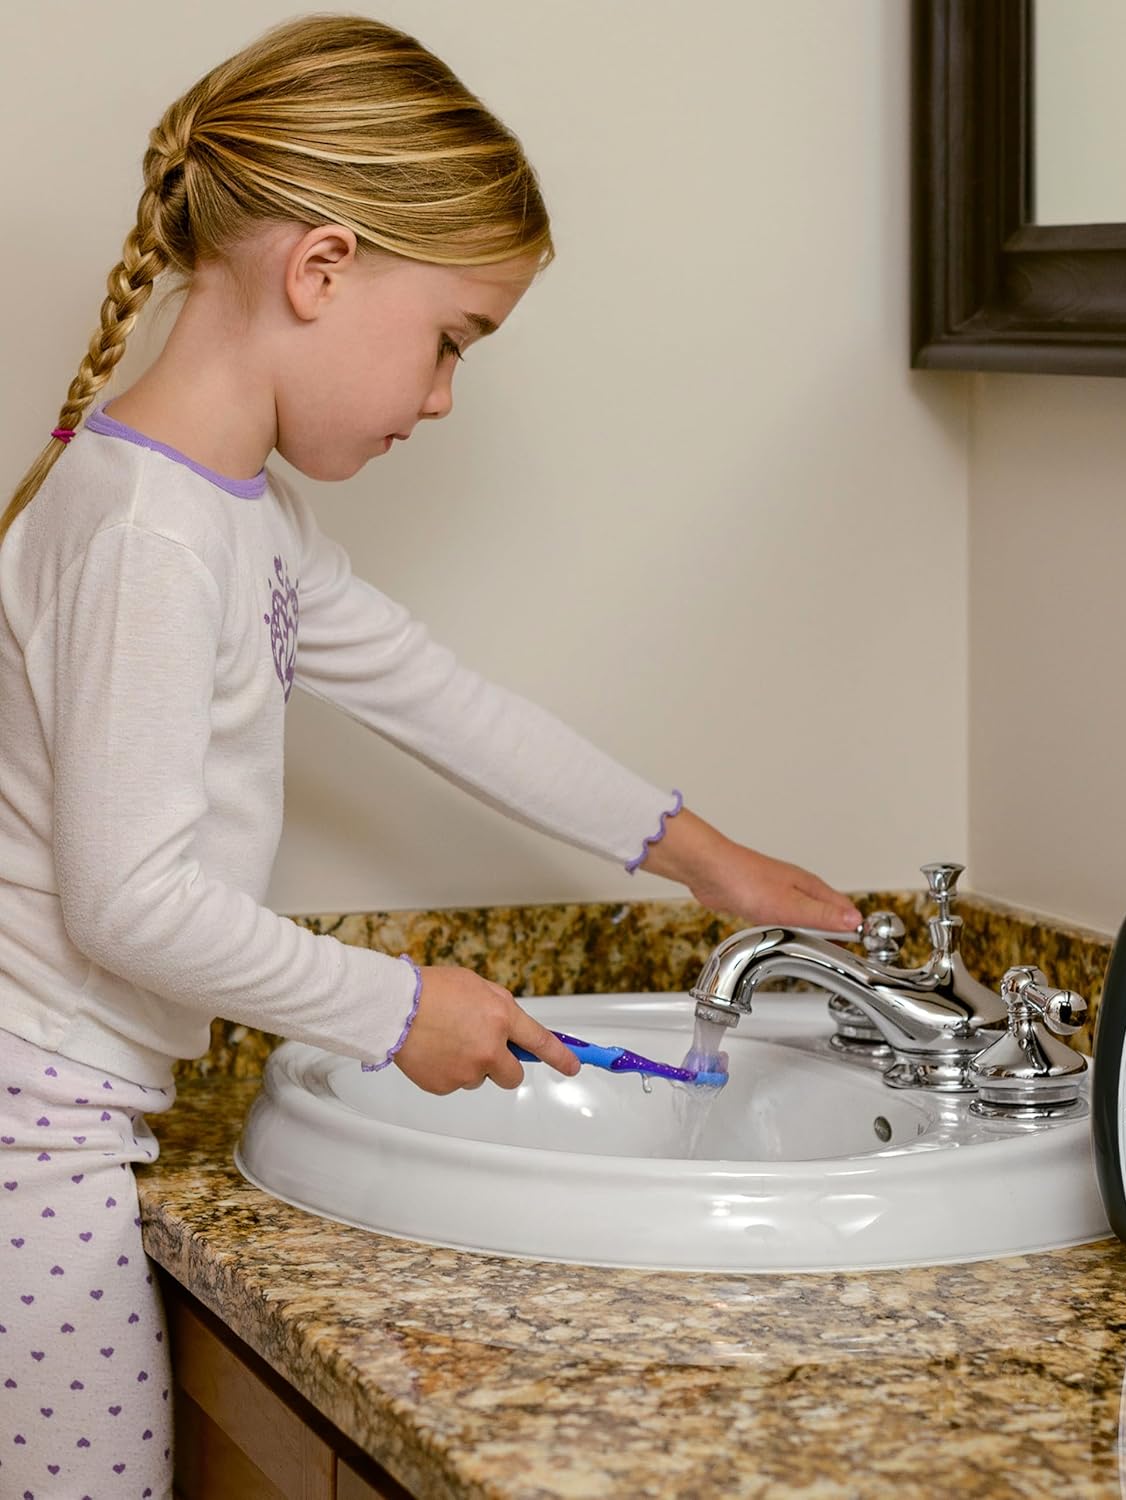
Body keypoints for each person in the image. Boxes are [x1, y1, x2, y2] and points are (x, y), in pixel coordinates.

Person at [0, 15, 861, 1496]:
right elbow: (128, 902)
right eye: (452, 340)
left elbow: (440, 698)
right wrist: (395, 1008)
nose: (446, 395)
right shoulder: (151, 537)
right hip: (30, 1134)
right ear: (321, 268)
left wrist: (711, 860)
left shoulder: (232, 513)